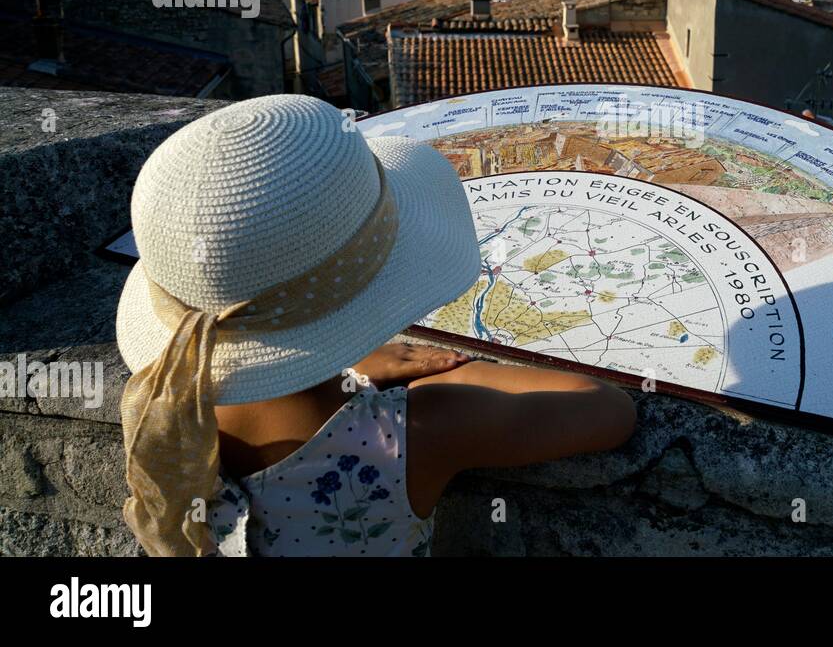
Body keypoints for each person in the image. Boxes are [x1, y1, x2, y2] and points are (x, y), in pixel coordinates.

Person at [115, 94, 636, 556]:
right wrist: (449, 381)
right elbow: (609, 410)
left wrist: (341, 360)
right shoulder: (413, 432)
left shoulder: (166, 412)